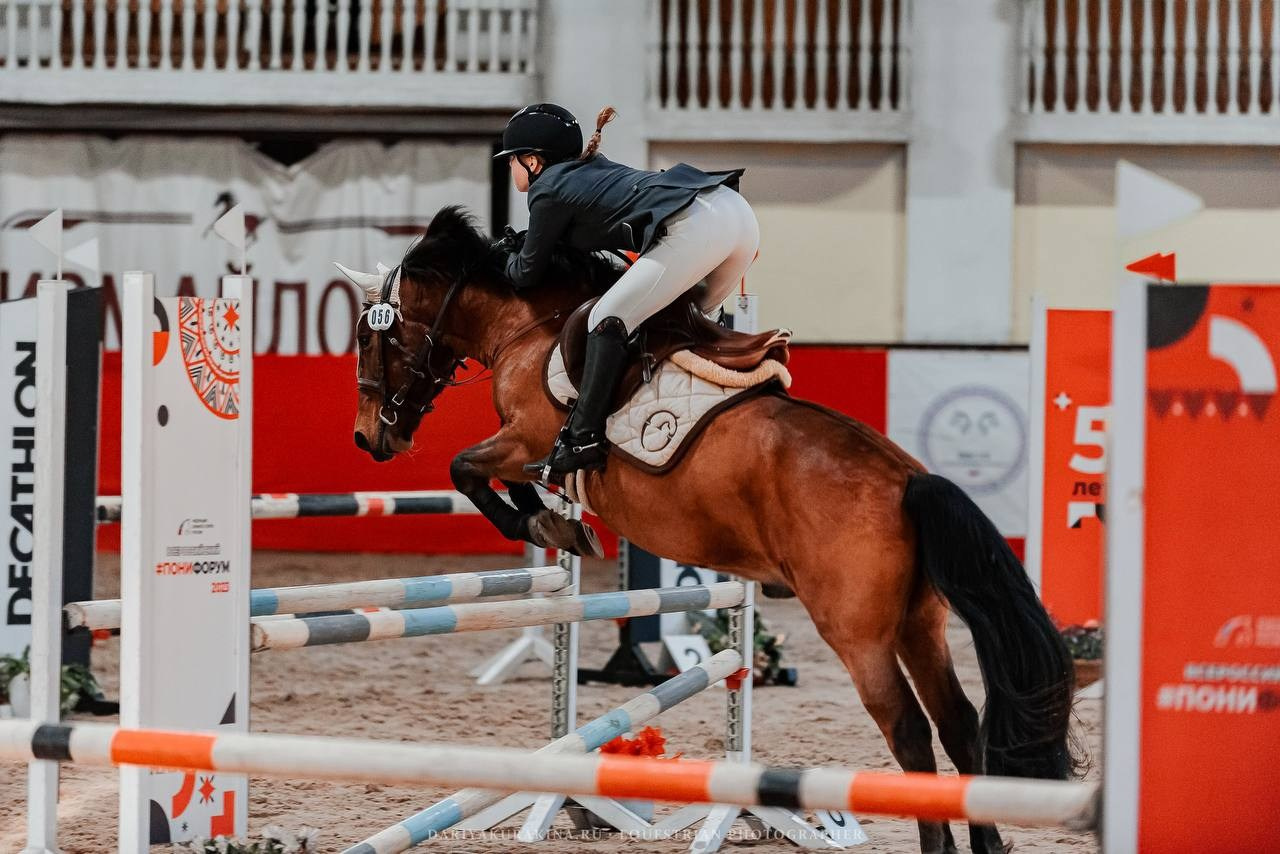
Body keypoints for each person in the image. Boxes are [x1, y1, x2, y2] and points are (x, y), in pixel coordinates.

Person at [496, 102, 760, 478]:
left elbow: (525, 273)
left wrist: (502, 256)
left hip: (701, 224)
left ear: (533, 162)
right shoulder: (587, 170)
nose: (510, 168)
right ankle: (714, 421)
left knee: (607, 317)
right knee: (689, 329)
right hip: (738, 217)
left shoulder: (548, 190)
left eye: (512, 161)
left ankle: (581, 440)